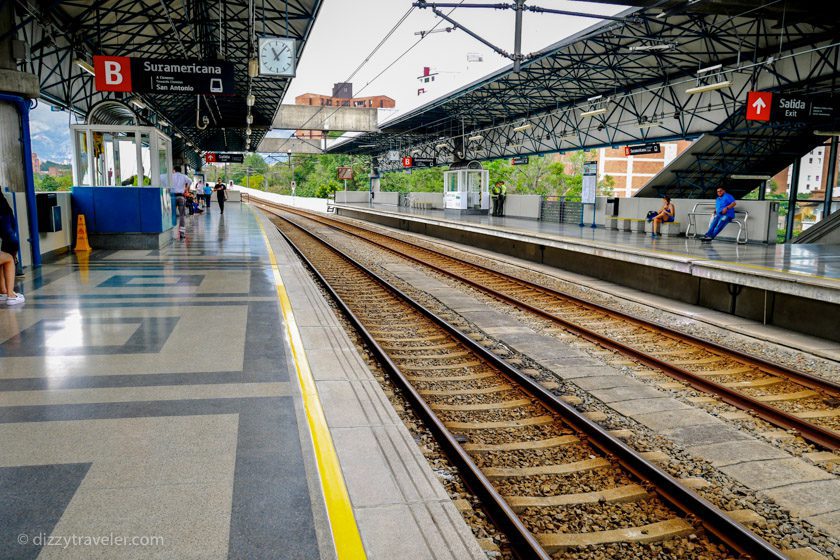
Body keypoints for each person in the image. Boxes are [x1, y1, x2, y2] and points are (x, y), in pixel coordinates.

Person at [0, 194, 23, 306]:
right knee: (8, 259)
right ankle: (11, 295)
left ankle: (3, 291)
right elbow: (9, 233)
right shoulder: (3, 207)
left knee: (3, 257)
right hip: (9, 239)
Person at [170, 165, 191, 236]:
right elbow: (190, 181)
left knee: (171, 214)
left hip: (172, 197)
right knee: (182, 215)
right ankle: (182, 233)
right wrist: (186, 189)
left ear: (174, 170)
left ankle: (171, 232)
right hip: (181, 197)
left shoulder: (171, 176)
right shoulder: (184, 176)